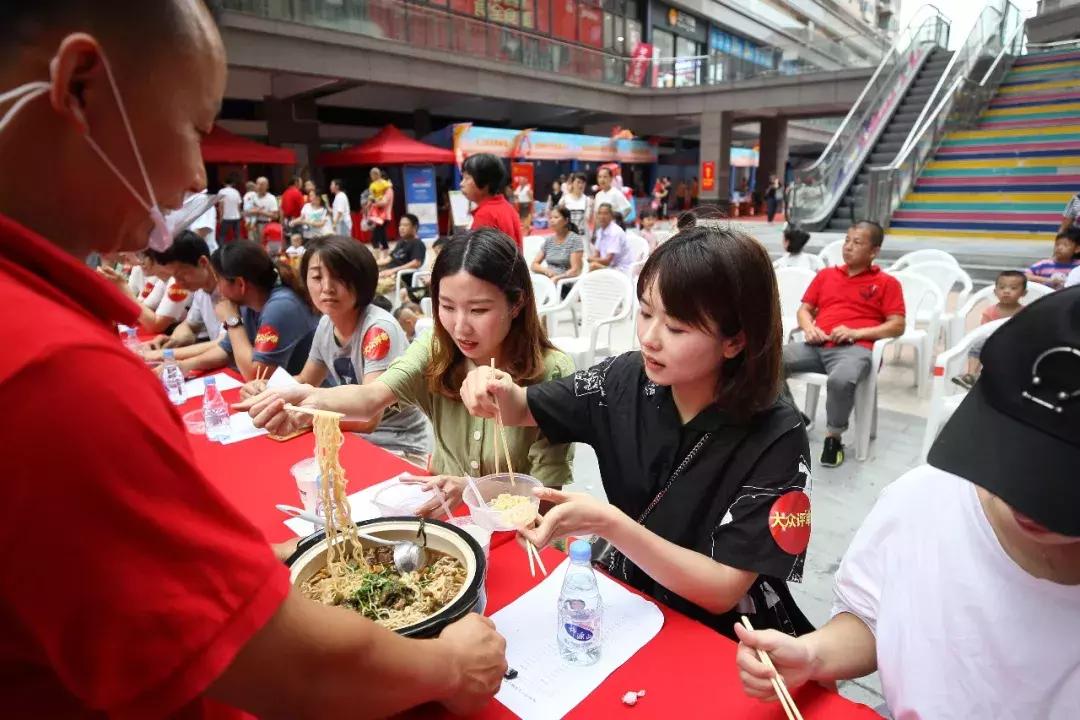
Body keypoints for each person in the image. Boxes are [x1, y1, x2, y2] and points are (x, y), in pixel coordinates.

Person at [0, 1, 506, 717]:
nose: (189, 178)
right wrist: (449, 667)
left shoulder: (385, 331)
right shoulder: (52, 374)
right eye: (188, 130)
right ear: (80, 87)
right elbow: (284, 667)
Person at [459, 218, 815, 639]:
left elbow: (723, 589)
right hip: (634, 596)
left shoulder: (778, 435)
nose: (649, 337)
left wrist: (610, 524)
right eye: (645, 313)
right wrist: (489, 385)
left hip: (734, 631)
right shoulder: (622, 380)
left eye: (676, 327)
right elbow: (521, 406)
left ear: (735, 340)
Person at [736, 288, 1080, 718]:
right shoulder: (925, 497)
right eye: (1011, 454)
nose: (1026, 495)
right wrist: (813, 655)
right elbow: (873, 618)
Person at [239, 228, 574, 515]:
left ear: (516, 303)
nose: (460, 327)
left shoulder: (553, 371)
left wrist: (473, 491)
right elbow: (371, 397)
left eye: (479, 310)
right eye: (446, 307)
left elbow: (547, 496)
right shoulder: (435, 350)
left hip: (522, 534)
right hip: (448, 517)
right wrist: (308, 398)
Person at [240, 236, 432, 460]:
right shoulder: (326, 323)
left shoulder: (378, 330)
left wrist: (301, 415)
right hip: (348, 437)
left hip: (397, 445)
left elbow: (368, 419)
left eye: (339, 277)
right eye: (317, 277)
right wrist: (268, 390)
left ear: (362, 280)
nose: (327, 287)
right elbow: (305, 380)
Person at [780, 221, 905, 468]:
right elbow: (804, 309)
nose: (848, 247)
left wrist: (856, 332)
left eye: (857, 243)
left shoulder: (887, 283)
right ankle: (792, 417)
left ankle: (834, 437)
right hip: (817, 344)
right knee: (764, 361)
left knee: (840, 380)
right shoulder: (826, 276)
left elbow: (897, 325)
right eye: (847, 240)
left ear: (874, 251)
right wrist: (809, 328)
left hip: (855, 350)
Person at [177, 240, 318, 380]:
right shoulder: (246, 302)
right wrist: (184, 366)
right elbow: (225, 350)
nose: (218, 288)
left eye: (219, 280)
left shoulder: (281, 306)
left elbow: (256, 376)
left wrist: (232, 322)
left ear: (240, 284)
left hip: (308, 396)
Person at [141, 231, 225, 361]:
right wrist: (172, 342)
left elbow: (224, 344)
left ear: (203, 262)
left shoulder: (230, 288)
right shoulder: (200, 290)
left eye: (182, 275)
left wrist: (163, 355)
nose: (178, 282)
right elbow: (189, 326)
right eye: (174, 277)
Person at [953, 269, 1027, 389]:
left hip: (1016, 344)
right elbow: (984, 331)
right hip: (993, 341)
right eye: (1002, 288)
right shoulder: (990, 311)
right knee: (977, 345)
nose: (1006, 291)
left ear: (1023, 293)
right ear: (995, 291)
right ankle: (970, 375)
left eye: (1013, 288)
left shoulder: (1025, 311)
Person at [463, 153, 522, 250]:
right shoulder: (506, 206)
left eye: (467, 178)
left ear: (484, 182)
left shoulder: (485, 214)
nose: (462, 184)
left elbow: (478, 257)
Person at [530, 204, 583, 288]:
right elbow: (534, 265)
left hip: (565, 282)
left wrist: (557, 278)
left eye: (556, 217)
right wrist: (546, 270)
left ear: (566, 220)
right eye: (550, 217)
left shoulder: (574, 239)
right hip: (548, 280)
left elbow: (575, 270)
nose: (552, 220)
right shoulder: (549, 240)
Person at [377, 212, 426, 294]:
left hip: (401, 279)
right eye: (400, 225)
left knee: (374, 287)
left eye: (405, 225)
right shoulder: (401, 242)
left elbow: (416, 263)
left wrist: (392, 271)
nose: (401, 228)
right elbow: (388, 260)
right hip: (389, 274)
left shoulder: (417, 243)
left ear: (414, 227)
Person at [590, 203, 633, 274]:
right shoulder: (600, 231)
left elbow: (607, 261)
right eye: (600, 213)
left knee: (593, 266)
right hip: (610, 267)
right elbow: (597, 254)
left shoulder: (615, 232)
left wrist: (588, 259)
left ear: (611, 216)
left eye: (605, 213)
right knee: (590, 265)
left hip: (621, 269)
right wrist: (590, 259)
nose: (602, 216)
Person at [366, 167, 393, 251]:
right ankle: (382, 254)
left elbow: (383, 202)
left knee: (378, 237)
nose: (372, 177)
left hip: (384, 215)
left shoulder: (387, 187)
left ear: (377, 174)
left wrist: (374, 201)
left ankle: (381, 255)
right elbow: (371, 196)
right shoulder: (373, 185)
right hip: (376, 213)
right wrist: (369, 204)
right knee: (380, 237)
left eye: (372, 175)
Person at [245, 176, 279, 243]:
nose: (260, 186)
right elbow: (245, 212)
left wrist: (260, 212)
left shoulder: (271, 198)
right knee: (252, 246)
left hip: (265, 225)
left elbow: (275, 216)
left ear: (267, 186)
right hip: (252, 226)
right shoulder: (251, 197)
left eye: (262, 184)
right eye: (258, 184)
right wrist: (250, 211)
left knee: (263, 246)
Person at [558, 172, 590, 238]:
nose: (581, 185)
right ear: (572, 183)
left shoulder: (587, 200)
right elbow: (558, 218)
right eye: (578, 182)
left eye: (583, 183)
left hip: (582, 237)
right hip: (567, 237)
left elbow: (588, 219)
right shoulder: (564, 200)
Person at [217, 174, 243, 243]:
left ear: (224, 183)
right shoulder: (236, 192)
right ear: (232, 183)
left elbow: (221, 206)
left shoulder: (222, 191)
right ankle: (238, 250)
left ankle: (221, 250)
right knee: (237, 236)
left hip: (226, 217)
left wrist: (220, 217)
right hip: (236, 217)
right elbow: (238, 205)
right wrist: (240, 215)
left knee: (222, 235)